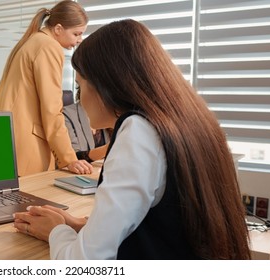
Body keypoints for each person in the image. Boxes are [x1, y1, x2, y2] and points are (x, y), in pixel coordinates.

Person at [13, 19, 251, 259]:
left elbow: (84, 264)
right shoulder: (187, 120)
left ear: (106, 84)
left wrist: (56, 231)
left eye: (80, 86)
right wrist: (80, 226)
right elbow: (157, 227)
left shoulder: (138, 132)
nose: (80, 99)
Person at [0, 1, 92, 177]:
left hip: (4, 135)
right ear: (58, 29)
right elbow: (52, 110)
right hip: (23, 143)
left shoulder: (32, 41)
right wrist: (69, 158)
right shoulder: (48, 46)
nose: (79, 40)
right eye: (76, 34)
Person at [62, 90, 111, 162]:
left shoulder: (109, 114)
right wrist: (108, 148)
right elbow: (73, 157)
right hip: (77, 172)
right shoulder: (66, 114)